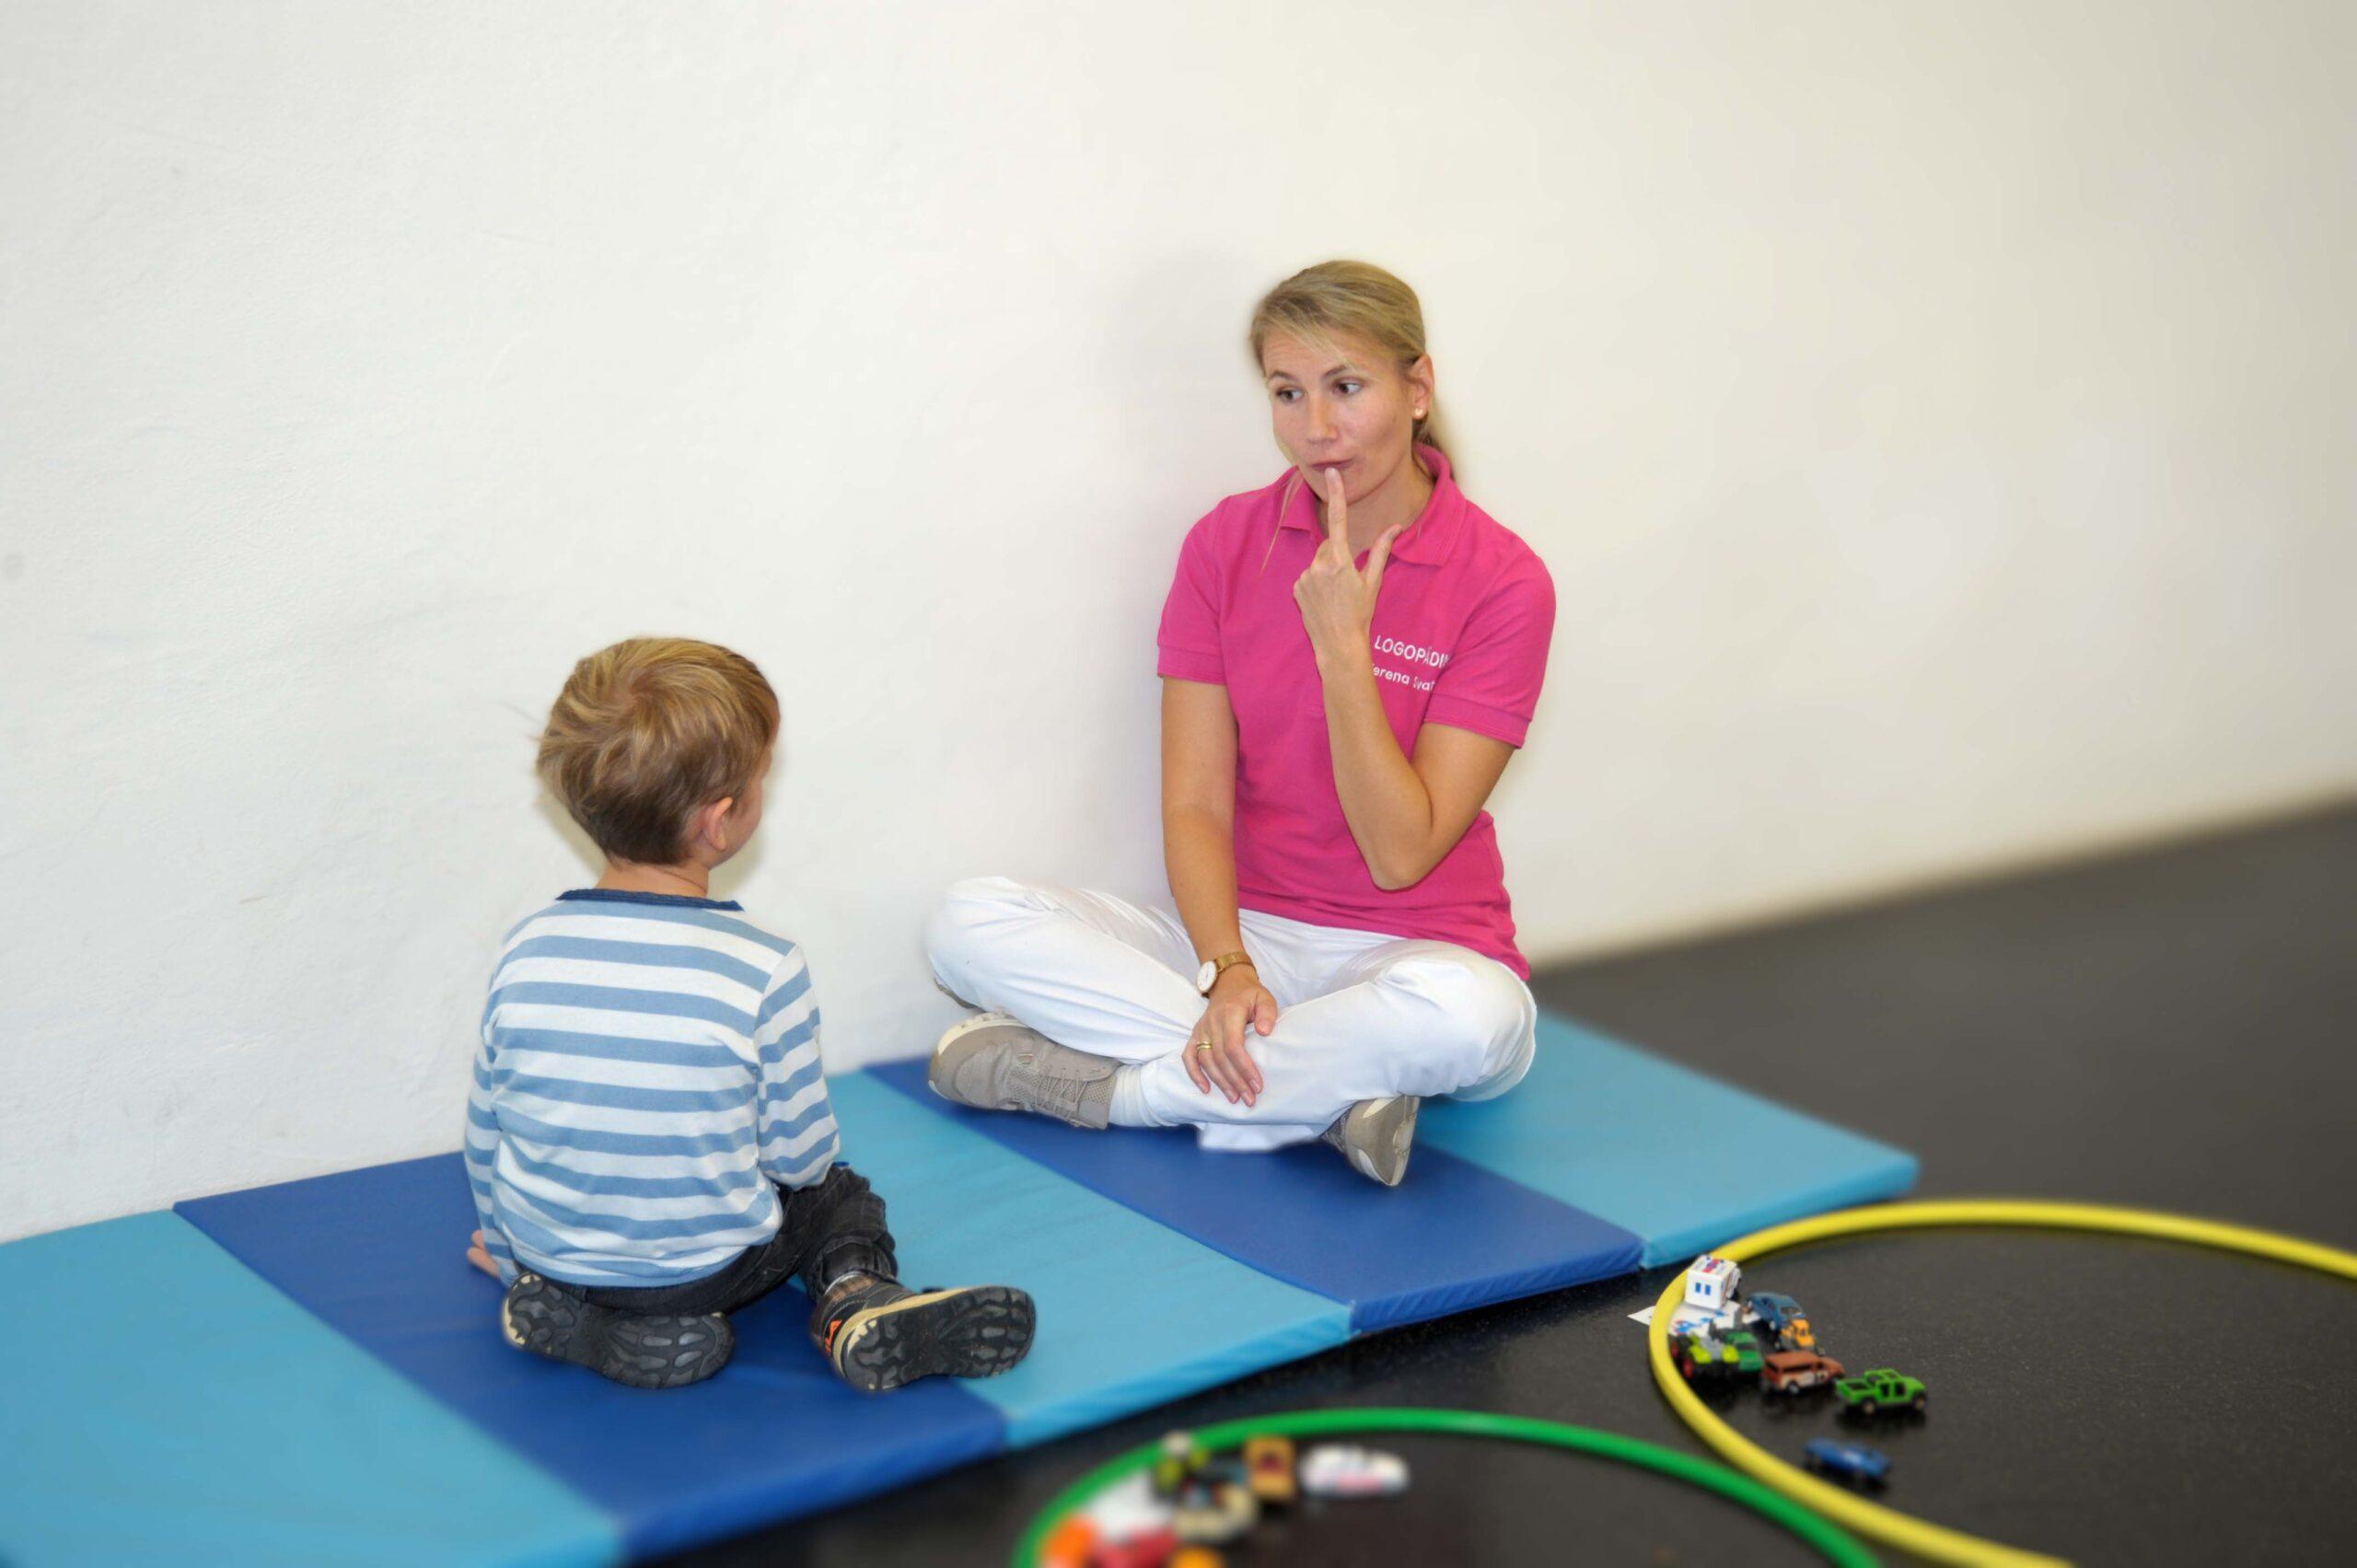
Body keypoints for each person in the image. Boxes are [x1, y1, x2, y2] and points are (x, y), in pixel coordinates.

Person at [923, 261, 1554, 1185]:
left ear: (1416, 388)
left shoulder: (1503, 581)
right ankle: (1331, 1101)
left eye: (1347, 387)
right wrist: (1227, 967)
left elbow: (1399, 853)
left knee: (1476, 1021)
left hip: (1416, 950)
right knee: (967, 920)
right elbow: (1195, 804)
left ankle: (1120, 1093)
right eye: (1287, 392)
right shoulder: (1225, 543)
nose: (1316, 428)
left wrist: (1344, 650)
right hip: (1239, 936)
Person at [465, 637, 1034, 1389]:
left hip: (556, 1258)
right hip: (709, 1272)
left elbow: (485, 1131)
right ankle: (853, 1301)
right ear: (721, 820)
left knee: (576, 1236)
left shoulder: (525, 947)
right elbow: (797, 1157)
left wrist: (513, 1256)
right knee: (838, 1195)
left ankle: (582, 1314)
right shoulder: (762, 966)